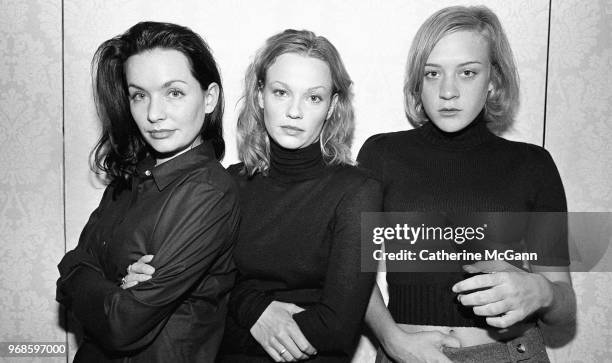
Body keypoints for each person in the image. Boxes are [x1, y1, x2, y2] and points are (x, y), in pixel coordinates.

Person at [358, 6, 576, 363]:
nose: (448, 91)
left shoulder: (533, 165)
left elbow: (565, 306)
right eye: (432, 73)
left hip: (511, 355)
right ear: (417, 81)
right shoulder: (381, 155)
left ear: (493, 79)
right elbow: (350, 272)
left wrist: (542, 292)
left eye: (467, 72)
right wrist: (390, 338)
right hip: (406, 355)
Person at [55, 21, 239, 362]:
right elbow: (67, 273)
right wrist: (112, 284)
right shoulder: (130, 175)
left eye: (174, 92)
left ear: (209, 97)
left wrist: (88, 276)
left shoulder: (210, 192)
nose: (154, 114)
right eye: (139, 95)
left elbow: (123, 323)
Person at [215, 29, 382, 362]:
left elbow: (338, 327)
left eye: (313, 97)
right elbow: (204, 289)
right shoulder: (229, 184)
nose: (295, 111)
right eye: (281, 92)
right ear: (260, 95)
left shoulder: (359, 191)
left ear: (333, 106)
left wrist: (242, 315)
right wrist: (255, 311)